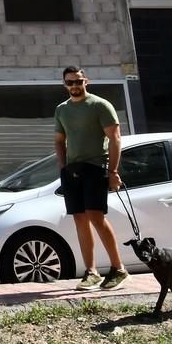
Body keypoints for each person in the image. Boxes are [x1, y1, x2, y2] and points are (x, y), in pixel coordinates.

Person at [54, 65, 130, 291]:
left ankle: (119, 269)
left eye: (78, 81)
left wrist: (114, 171)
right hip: (72, 170)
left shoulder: (100, 105)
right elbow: (59, 140)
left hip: (96, 166)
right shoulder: (62, 109)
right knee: (79, 220)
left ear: (86, 81)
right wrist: (63, 167)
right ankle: (91, 272)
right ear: (64, 84)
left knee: (96, 217)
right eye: (70, 82)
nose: (75, 86)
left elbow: (115, 139)